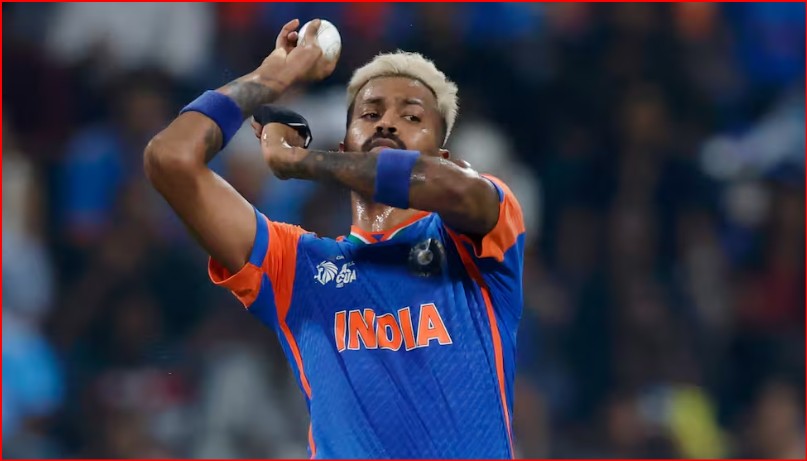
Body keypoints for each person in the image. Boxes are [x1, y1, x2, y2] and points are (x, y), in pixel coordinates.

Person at [144, 18, 525, 459]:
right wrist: (274, 76)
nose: (387, 123)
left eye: (412, 116)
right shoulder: (296, 265)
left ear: (444, 158)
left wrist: (299, 161)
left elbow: (455, 189)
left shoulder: (477, 238)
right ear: (344, 149)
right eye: (370, 113)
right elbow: (170, 158)